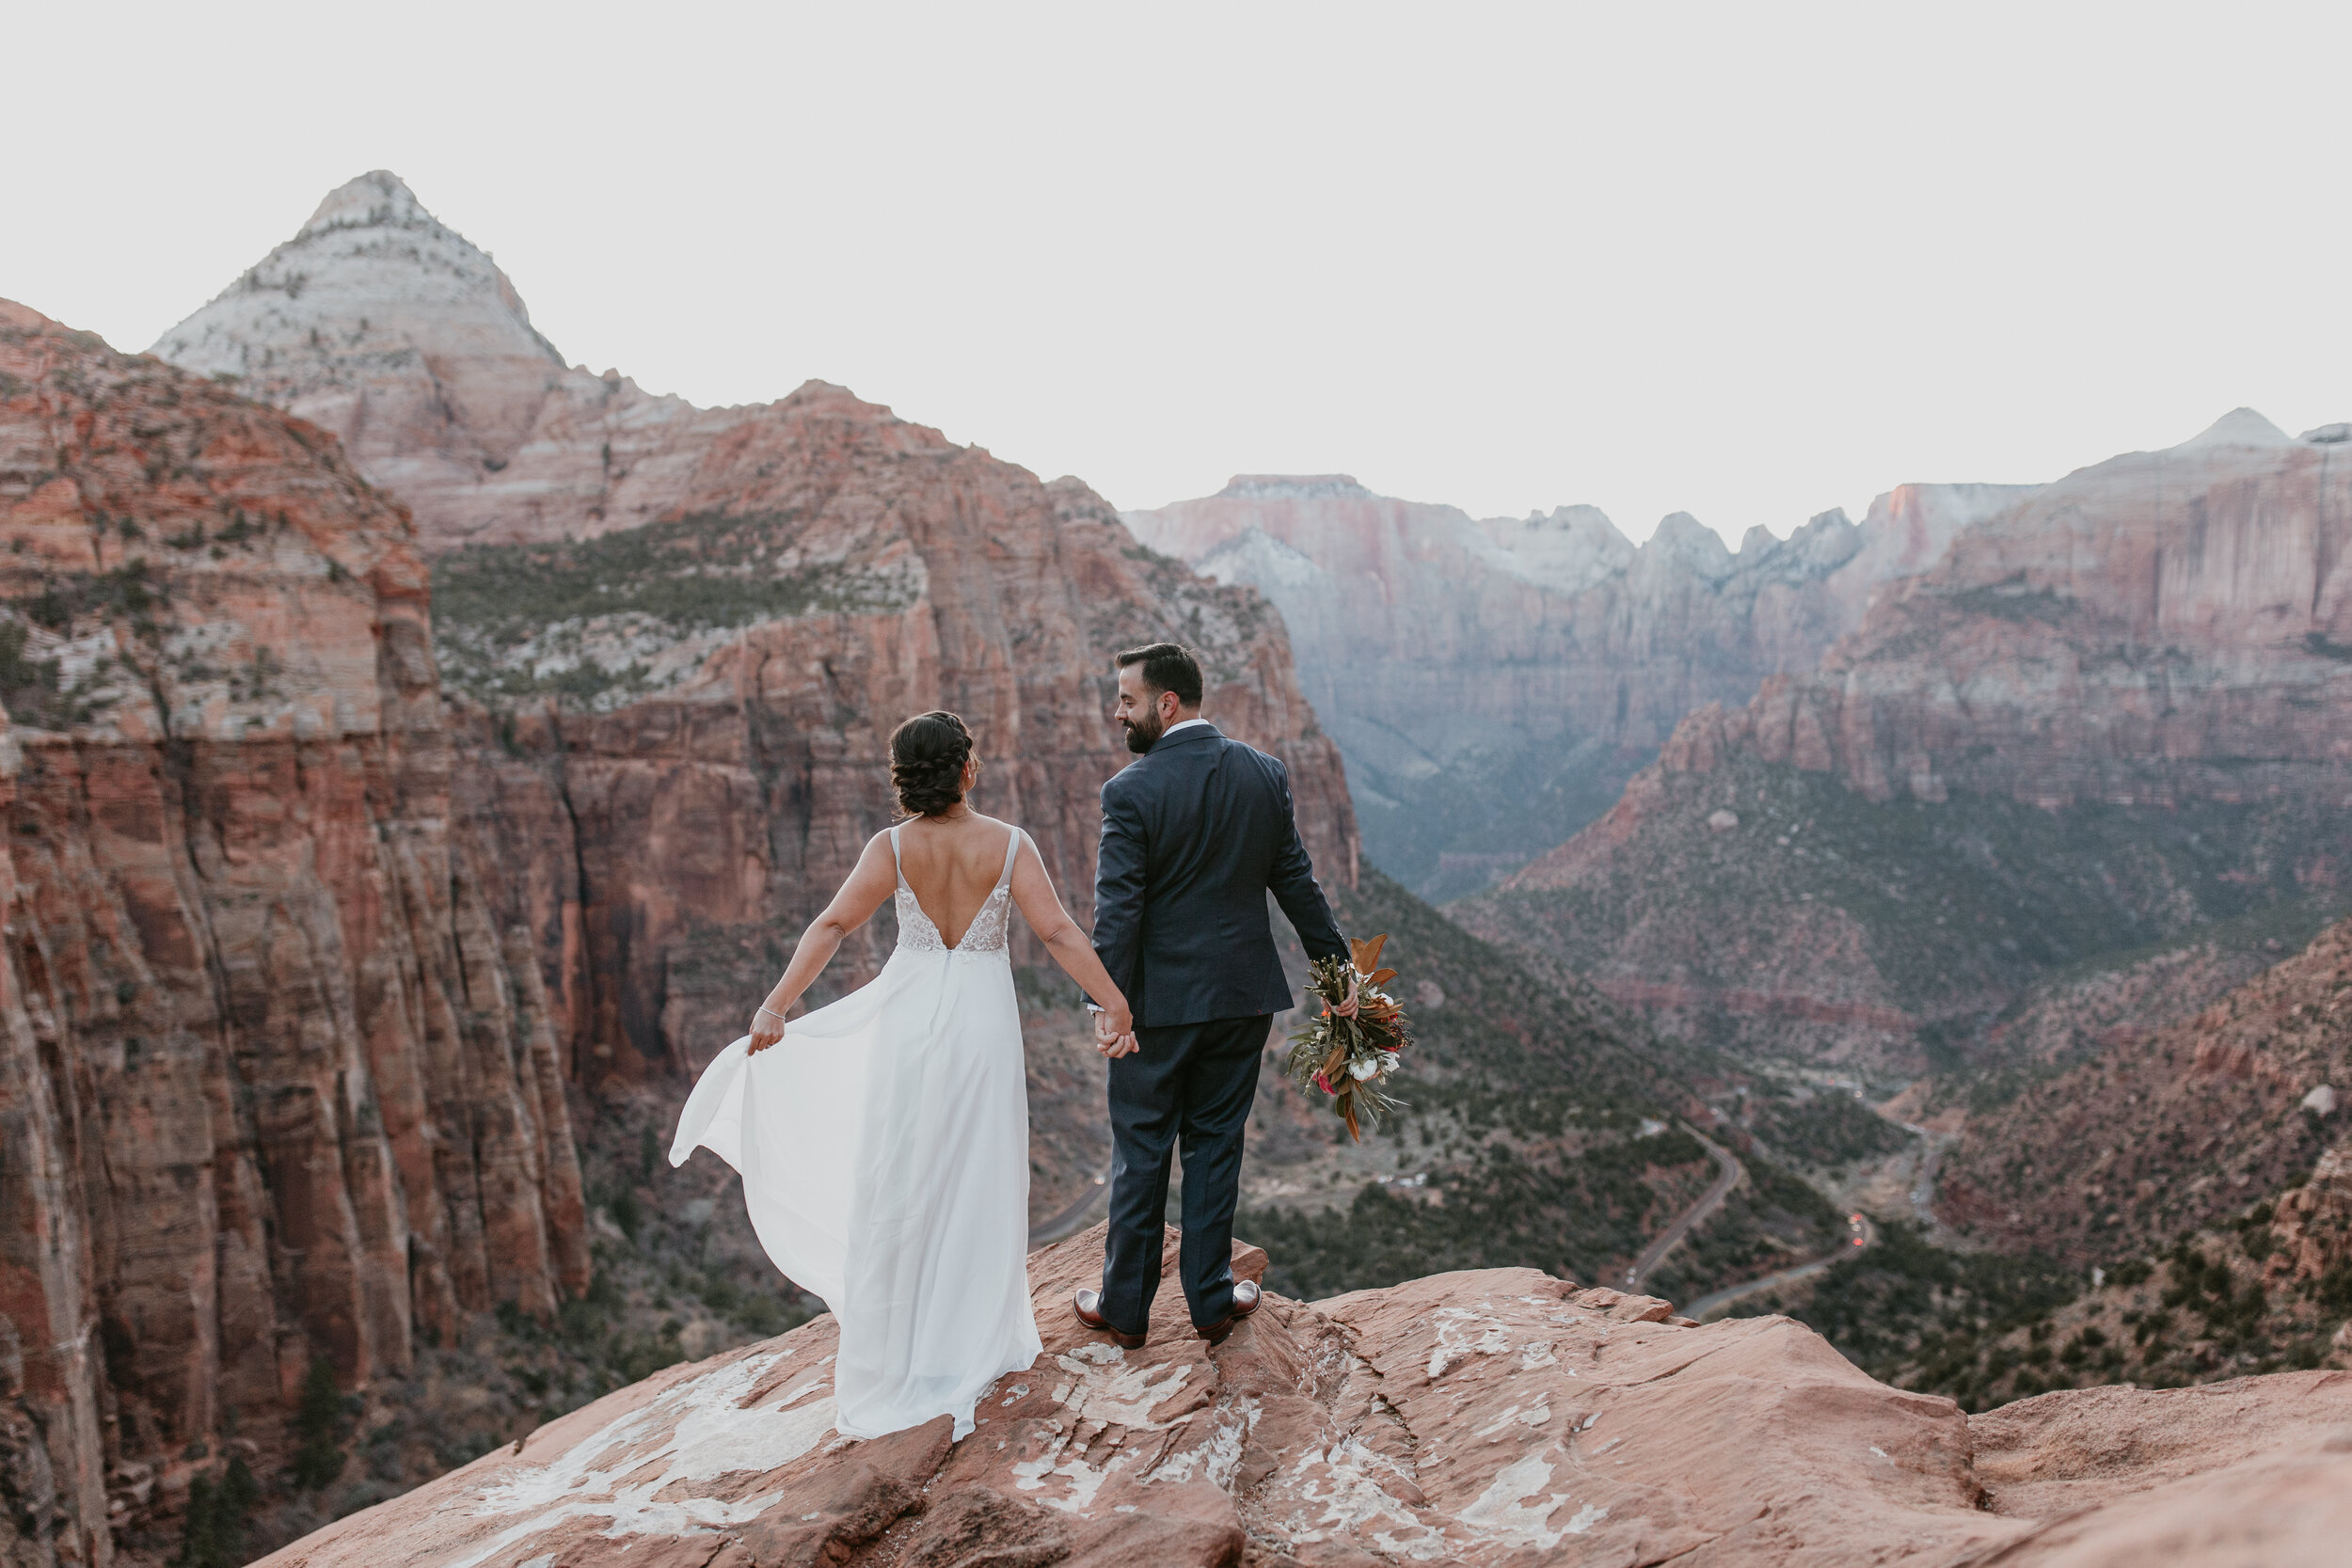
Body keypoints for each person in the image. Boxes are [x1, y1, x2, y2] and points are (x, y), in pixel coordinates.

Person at [669, 710, 1136, 1441]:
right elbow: (1058, 931)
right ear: (967, 770)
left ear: (906, 779)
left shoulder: (891, 846)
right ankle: (971, 1339)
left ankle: (903, 1349)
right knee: (979, 1171)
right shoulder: (1009, 844)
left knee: (903, 1173)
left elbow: (831, 925)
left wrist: (776, 1004)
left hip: (909, 1021)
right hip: (982, 1022)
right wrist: (1113, 1000)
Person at [1074, 642, 1350, 1349]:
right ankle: (1209, 1300)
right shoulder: (1264, 773)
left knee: (1142, 1151)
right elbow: (1297, 884)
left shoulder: (1128, 790)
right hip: (1240, 998)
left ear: (1167, 703)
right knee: (1215, 1147)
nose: (1118, 712)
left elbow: (1118, 913)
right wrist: (1339, 976)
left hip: (1155, 1010)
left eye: (1127, 700)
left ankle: (1125, 1307)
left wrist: (1110, 1005)